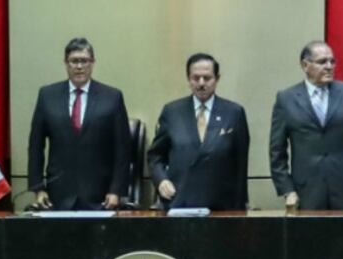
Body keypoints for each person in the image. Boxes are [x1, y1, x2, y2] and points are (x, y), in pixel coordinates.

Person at [269, 41, 343, 210]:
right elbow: (277, 151)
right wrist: (287, 189)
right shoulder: (286, 99)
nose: (329, 66)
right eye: (322, 62)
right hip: (306, 191)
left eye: (332, 61)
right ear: (305, 65)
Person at [27, 37, 131, 210]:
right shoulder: (47, 96)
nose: (79, 66)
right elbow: (36, 146)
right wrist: (38, 188)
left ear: (92, 63)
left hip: (100, 196)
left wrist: (116, 190)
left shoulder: (112, 97)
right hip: (57, 196)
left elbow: (122, 149)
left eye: (84, 61)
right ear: (66, 63)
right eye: (74, 61)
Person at [147, 53, 249, 210]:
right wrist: (161, 180)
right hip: (180, 202)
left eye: (207, 78)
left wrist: (240, 207)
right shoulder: (172, 111)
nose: (201, 83)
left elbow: (241, 166)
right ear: (188, 78)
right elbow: (155, 156)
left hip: (221, 206)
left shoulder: (234, 112)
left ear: (217, 78)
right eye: (196, 78)